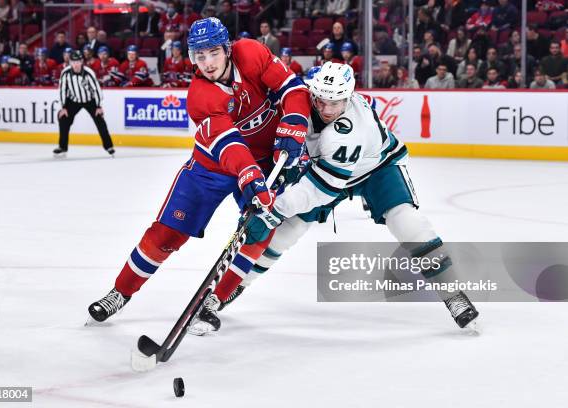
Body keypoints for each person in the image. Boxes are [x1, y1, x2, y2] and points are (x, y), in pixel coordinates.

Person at [190, 62, 480, 335]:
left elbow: (320, 189)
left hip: (376, 167)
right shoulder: (308, 99)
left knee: (407, 222)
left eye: (335, 102)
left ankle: (452, 293)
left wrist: (274, 207)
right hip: (325, 168)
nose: (326, 109)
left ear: (348, 98)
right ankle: (232, 288)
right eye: (321, 100)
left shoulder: (348, 132)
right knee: (285, 234)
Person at [87, 17, 310, 323]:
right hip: (211, 166)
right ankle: (121, 292)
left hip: (265, 161)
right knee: (167, 233)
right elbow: (230, 146)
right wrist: (248, 175)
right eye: (199, 55)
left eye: (213, 53)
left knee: (261, 226)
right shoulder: (200, 95)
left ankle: (216, 300)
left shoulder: (252, 53)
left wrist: (295, 122)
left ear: (227, 49)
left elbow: (293, 89)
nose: (206, 63)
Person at [54, 50, 115, 157]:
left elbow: (96, 89)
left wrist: (98, 106)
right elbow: (62, 90)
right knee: (63, 119)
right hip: (73, 100)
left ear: (82, 61)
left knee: (100, 120)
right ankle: (62, 146)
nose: (76, 64)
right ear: (70, 62)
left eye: (78, 61)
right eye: (73, 62)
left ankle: (108, 146)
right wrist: (63, 107)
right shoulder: (65, 73)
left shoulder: (88, 73)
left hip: (89, 100)